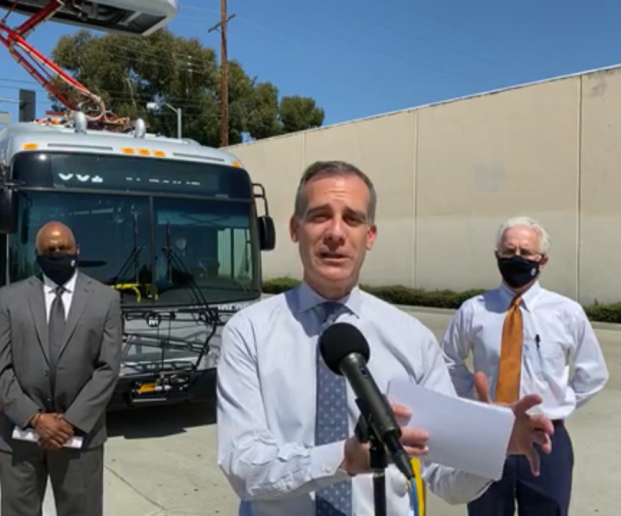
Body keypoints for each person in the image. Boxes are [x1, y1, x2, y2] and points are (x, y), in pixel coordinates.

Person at [215, 161, 555, 516]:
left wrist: (490, 447)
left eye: (352, 219)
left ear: (370, 235)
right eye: (319, 216)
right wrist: (343, 458)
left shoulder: (413, 340)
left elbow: (445, 481)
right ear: (295, 228)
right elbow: (243, 466)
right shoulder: (249, 333)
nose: (335, 232)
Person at [440, 216, 609, 516]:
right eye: (509, 251)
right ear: (497, 257)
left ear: (542, 260)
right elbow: (447, 360)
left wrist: (559, 405)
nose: (516, 258)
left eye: (526, 252)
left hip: (545, 439)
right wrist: (475, 402)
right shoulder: (474, 310)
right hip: (487, 437)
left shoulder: (567, 313)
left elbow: (592, 373)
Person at [0, 221, 123, 516]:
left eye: (64, 248)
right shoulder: (9, 298)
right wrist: (35, 418)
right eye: (49, 250)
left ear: (78, 251)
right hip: (20, 439)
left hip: (80, 437)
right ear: (37, 254)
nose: (57, 253)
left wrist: (69, 422)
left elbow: (108, 368)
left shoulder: (106, 300)